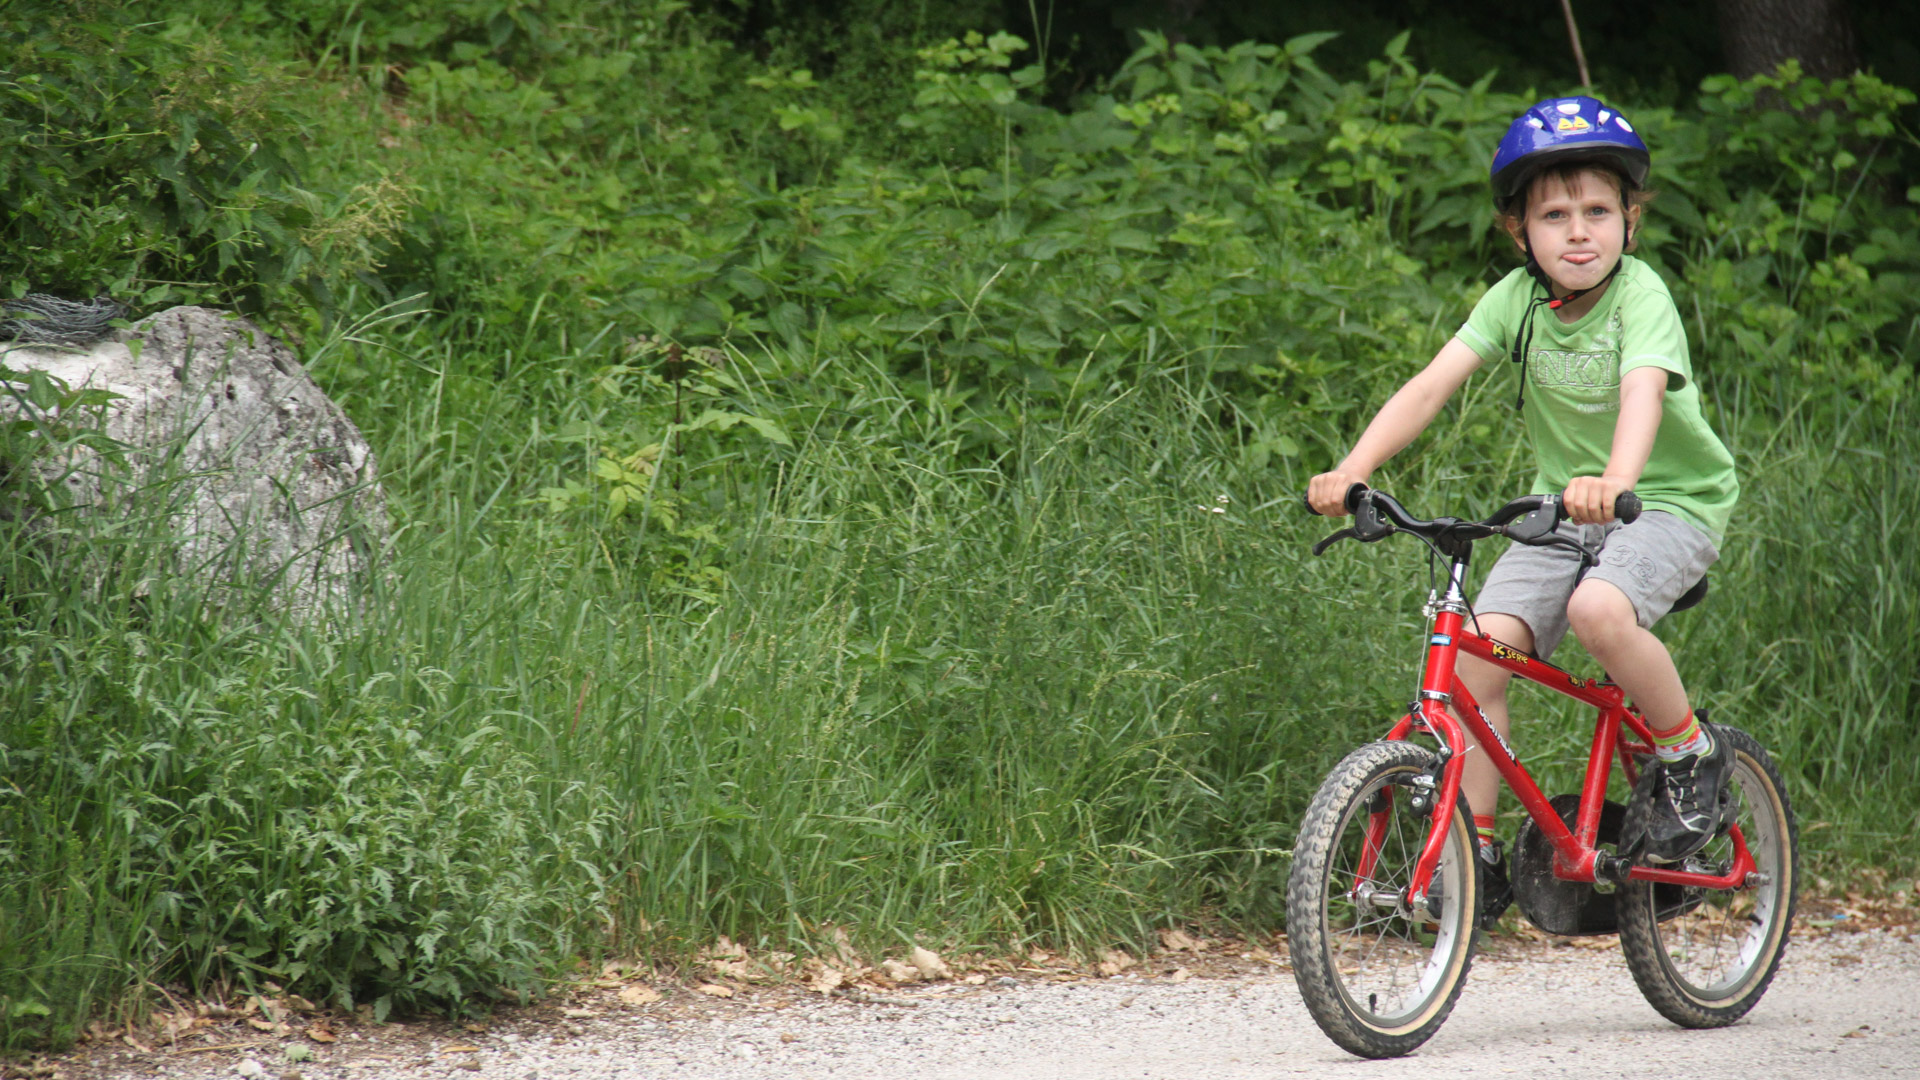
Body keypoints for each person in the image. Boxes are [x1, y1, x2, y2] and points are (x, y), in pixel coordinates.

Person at [1305, 96, 1740, 922]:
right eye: (1555, 215)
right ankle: (1480, 853)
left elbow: (1641, 394)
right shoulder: (1514, 300)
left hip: (1669, 501)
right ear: (1520, 233)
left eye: (1599, 212)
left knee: (1598, 613)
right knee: (1476, 658)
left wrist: (1613, 482)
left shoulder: (1640, 297)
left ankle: (1691, 755)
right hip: (1563, 511)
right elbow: (1432, 384)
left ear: (1631, 221)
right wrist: (1351, 469)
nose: (1580, 231)